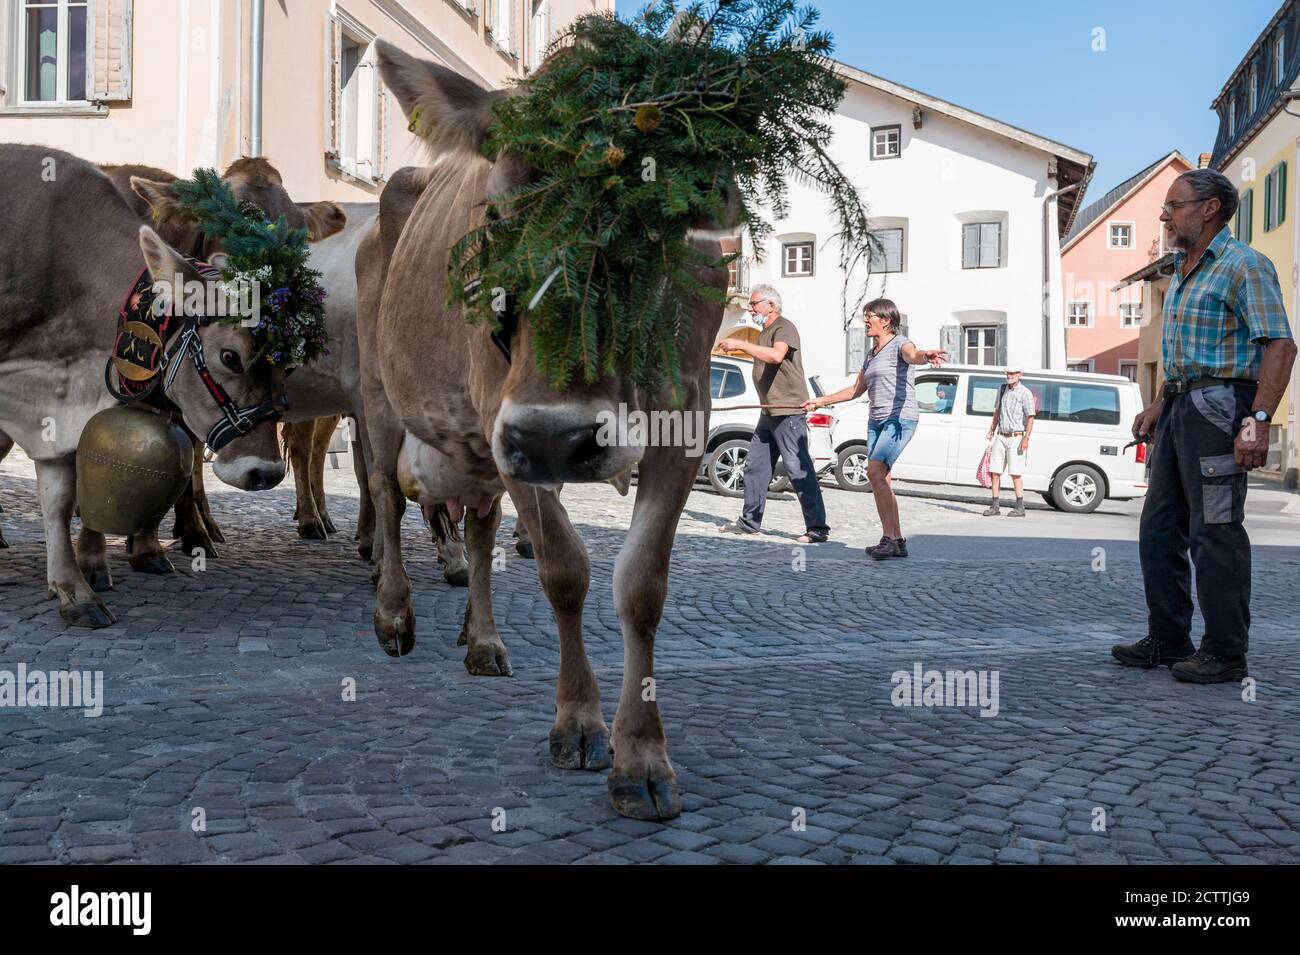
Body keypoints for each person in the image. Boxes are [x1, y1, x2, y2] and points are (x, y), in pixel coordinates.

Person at [1111, 169, 1296, 684]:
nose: (1166, 215)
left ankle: (1225, 651)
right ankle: (1169, 639)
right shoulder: (1180, 266)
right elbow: (1183, 357)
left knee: (1213, 531)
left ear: (1210, 208)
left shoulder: (1244, 265)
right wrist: (1158, 403)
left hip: (1221, 408)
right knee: (1158, 528)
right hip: (1179, 406)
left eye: (1175, 205)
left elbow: (1280, 345)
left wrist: (1258, 420)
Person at [804, 298, 948, 559]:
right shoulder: (871, 355)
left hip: (899, 420)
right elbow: (855, 390)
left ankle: (888, 539)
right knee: (883, 478)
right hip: (876, 421)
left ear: (886, 320)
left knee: (874, 472)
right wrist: (819, 401)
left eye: (869, 315)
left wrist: (925, 356)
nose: (865, 320)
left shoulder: (901, 343)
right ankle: (899, 540)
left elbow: (913, 356)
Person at [718, 284, 830, 543]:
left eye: (754, 303)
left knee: (798, 469)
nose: (750, 308)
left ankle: (817, 528)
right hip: (769, 412)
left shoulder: (784, 327)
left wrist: (740, 344)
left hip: (788, 411)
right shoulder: (764, 332)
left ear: (771, 305)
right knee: (755, 466)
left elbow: (777, 356)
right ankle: (749, 522)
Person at [982, 365, 1036, 518]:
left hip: (1016, 436)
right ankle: (995, 506)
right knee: (995, 471)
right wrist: (992, 429)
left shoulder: (1025, 393)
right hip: (1001, 434)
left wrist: (1026, 438)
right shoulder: (1003, 389)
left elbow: (1031, 417)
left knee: (1015, 473)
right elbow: (997, 411)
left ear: (1020, 374)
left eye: (1013, 373)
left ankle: (1020, 507)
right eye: (1008, 373)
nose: (1009, 375)